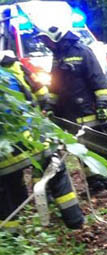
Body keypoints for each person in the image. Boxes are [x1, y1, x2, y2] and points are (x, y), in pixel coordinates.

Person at [32, 20, 107, 196]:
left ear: (56, 36)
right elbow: (55, 87)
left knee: (98, 150)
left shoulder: (83, 52)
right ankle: (95, 185)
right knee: (81, 152)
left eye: (46, 40)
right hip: (69, 116)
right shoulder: (58, 57)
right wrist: (50, 106)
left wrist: (102, 105)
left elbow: (99, 80)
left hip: (90, 113)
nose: (45, 43)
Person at [0, 66, 84, 232]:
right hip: (33, 139)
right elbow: (31, 100)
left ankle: (11, 237)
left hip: (4, 155)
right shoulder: (8, 74)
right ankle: (75, 222)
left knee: (6, 192)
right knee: (57, 174)